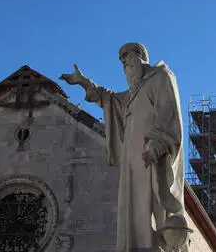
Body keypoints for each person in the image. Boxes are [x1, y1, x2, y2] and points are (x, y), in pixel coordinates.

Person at [60, 43, 187, 251]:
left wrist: (158, 143)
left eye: (125, 56)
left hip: (152, 157)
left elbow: (168, 110)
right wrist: (84, 82)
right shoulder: (131, 95)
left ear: (140, 55)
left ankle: (157, 246)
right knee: (133, 211)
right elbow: (107, 98)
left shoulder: (161, 76)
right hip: (131, 163)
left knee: (152, 207)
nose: (123, 62)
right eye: (120, 60)